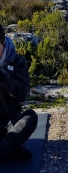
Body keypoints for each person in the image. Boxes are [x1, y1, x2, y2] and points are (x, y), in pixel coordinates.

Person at [0, 24, 38, 160]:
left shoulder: (17, 61)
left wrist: (4, 76)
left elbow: (23, 94)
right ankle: (11, 151)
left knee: (31, 117)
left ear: (3, 42)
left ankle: (5, 150)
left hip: (11, 122)